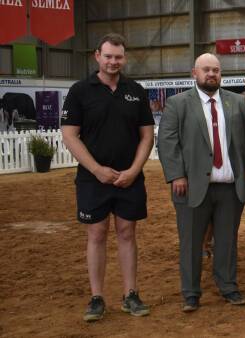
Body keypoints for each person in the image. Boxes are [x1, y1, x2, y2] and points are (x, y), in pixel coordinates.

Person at [157, 53, 245, 312]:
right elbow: (167, 143)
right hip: (191, 187)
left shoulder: (238, 103)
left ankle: (228, 287)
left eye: (215, 70)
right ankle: (191, 293)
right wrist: (176, 175)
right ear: (195, 73)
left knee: (227, 241)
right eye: (206, 69)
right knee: (191, 242)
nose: (211, 74)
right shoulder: (177, 103)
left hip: (230, 187)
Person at [61, 33, 154, 322]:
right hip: (92, 180)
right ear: (97, 56)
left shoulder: (136, 91)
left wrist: (134, 170)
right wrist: (97, 169)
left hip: (129, 178)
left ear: (124, 58)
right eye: (108, 56)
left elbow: (147, 135)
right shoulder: (79, 91)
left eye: (118, 57)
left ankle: (131, 294)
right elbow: (70, 136)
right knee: (97, 234)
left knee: (127, 233)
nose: (114, 62)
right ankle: (97, 298)